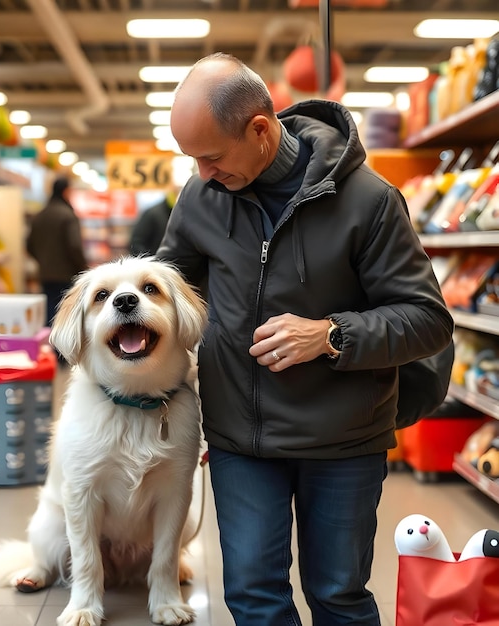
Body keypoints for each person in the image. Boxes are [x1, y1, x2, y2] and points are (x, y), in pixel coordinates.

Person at [156, 52, 453, 626]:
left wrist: (331, 334)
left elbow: (427, 319)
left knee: (338, 596)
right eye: (192, 160)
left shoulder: (369, 201)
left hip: (344, 440)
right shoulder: (202, 200)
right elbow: (170, 294)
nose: (202, 174)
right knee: (253, 597)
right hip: (240, 438)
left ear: (261, 130)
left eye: (211, 157)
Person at [27, 176, 88, 339]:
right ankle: (63, 351)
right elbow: (74, 246)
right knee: (67, 312)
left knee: (49, 311)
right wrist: (83, 270)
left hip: (46, 274)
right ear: (65, 191)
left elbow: (29, 245)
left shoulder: (40, 215)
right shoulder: (67, 215)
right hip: (66, 274)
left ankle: (49, 347)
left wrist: (43, 261)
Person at [129, 189, 177, 256]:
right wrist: (151, 263)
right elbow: (136, 243)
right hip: (155, 263)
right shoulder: (153, 214)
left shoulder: (183, 214)